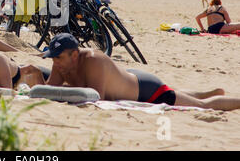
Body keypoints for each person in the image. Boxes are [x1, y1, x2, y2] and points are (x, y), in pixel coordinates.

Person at [22, 33, 240, 111]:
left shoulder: (93, 60)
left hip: (146, 90)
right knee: (178, 95)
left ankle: (220, 99)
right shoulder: (61, 63)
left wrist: (54, 87)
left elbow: (96, 97)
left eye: (58, 57)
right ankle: (206, 91)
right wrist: (40, 79)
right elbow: (53, 90)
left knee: (200, 106)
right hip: (130, 78)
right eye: (52, 58)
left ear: (75, 55)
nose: (55, 63)